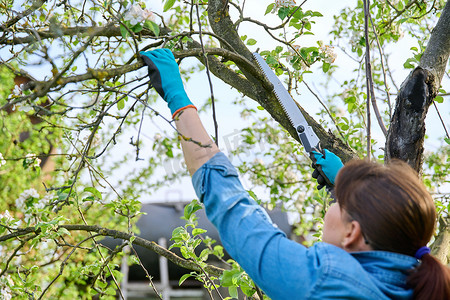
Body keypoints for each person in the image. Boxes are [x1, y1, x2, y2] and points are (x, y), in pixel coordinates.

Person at [140, 49, 450, 300]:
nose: (331, 204)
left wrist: (178, 98)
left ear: (352, 232)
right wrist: (344, 184)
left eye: (337, 204)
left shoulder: (325, 283)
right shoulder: (423, 287)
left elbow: (231, 207)